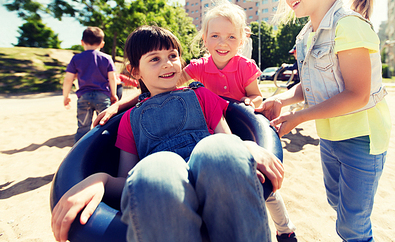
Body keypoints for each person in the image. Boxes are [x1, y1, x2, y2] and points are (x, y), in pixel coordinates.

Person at [52, 25, 283, 242]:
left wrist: (247, 146)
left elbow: (227, 139)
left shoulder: (201, 96)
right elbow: (128, 179)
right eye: (155, 59)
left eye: (173, 56)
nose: (168, 64)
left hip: (214, 179)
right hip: (167, 192)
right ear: (135, 71)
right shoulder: (129, 121)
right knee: (156, 168)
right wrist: (100, 179)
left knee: (219, 150)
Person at [256, 0, 391, 242]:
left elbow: (356, 94)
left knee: (352, 225)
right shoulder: (306, 36)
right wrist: (283, 99)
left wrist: (300, 116)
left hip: (361, 137)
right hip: (330, 136)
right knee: (336, 203)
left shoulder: (349, 26)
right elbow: (311, 85)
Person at [178, 0, 298, 242]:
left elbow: (256, 95)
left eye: (232, 37)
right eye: (216, 36)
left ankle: (285, 229)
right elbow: (167, 83)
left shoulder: (245, 67)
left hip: (241, 130)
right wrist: (122, 103)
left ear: (242, 41)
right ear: (205, 38)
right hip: (210, 132)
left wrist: (249, 101)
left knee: (262, 181)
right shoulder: (198, 67)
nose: (223, 43)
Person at [63, 26, 118, 142]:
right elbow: (112, 78)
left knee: (83, 127)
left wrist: (66, 96)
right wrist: (114, 94)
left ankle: (80, 152)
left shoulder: (76, 58)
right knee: (105, 125)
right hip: (102, 96)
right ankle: (105, 147)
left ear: (82, 42)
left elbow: (68, 79)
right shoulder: (106, 58)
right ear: (102, 43)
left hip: (84, 96)